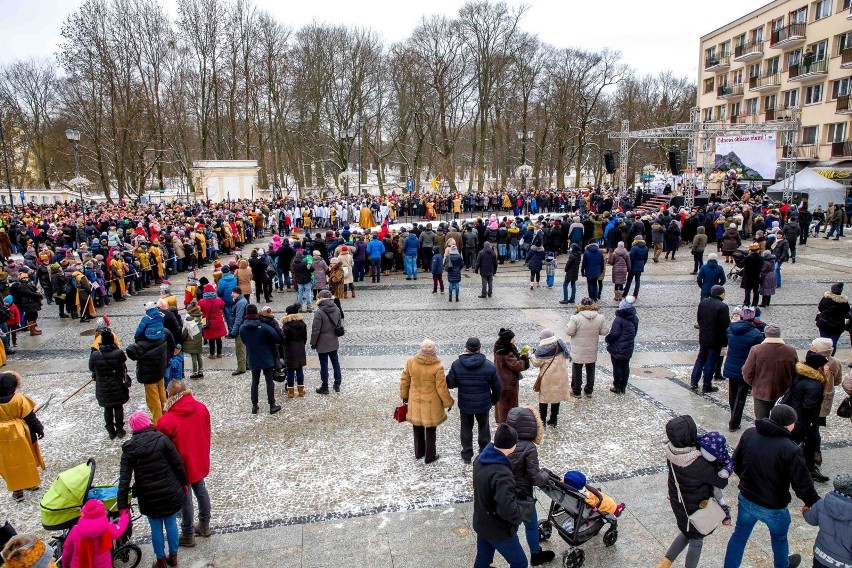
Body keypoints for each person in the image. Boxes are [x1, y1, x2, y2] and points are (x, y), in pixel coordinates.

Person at [722, 404, 819, 568]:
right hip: (774, 506)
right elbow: (802, 484)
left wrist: (747, 481)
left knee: (739, 536)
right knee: (779, 538)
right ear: (788, 425)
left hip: (746, 498)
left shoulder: (749, 433)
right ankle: (782, 565)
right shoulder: (790, 448)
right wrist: (814, 502)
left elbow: (736, 463)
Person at [117, 411, 188, 568]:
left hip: (148, 496)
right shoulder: (162, 439)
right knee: (171, 523)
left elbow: (124, 480)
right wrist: (184, 483)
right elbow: (178, 464)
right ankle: (174, 557)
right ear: (148, 423)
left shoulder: (129, 450)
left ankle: (161, 560)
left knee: (155, 527)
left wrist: (122, 505)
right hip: (170, 490)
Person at [656, 415, 727, 568]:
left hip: (680, 503)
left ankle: (665, 563)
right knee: (696, 540)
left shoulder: (671, 452)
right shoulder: (697, 462)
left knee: (687, 531)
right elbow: (722, 481)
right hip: (695, 508)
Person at [156, 380, 212, 547]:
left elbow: (162, 445)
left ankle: (187, 533)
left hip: (180, 465)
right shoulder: (201, 408)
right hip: (198, 457)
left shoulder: (167, 420)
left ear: (170, 395)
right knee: (201, 490)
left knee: (185, 498)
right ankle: (204, 525)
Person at [472, 424, 531, 568]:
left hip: (482, 522)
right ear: (511, 446)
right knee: (520, 563)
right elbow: (506, 509)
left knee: (483, 560)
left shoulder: (480, 459)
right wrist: (519, 515)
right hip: (498, 529)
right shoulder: (502, 474)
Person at [505, 407, 556, 566]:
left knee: (510, 527)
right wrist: (546, 474)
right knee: (531, 525)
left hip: (507, 493)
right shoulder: (529, 447)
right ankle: (535, 554)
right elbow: (535, 478)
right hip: (523, 495)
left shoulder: (505, 441)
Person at [446, 337, 501, 464]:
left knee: (466, 428)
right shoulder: (489, 366)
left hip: (465, 404)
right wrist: (492, 401)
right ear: (479, 348)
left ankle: (467, 454)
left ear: (466, 348)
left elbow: (450, 383)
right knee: (484, 429)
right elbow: (497, 388)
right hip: (483, 404)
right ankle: (484, 452)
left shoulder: (457, 364)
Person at [399, 339, 454, 465]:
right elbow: (441, 388)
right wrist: (448, 402)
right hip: (431, 404)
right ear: (434, 351)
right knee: (430, 430)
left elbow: (404, 380)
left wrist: (404, 395)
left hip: (415, 401)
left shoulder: (411, 362)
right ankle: (430, 455)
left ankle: (418, 452)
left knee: (417, 426)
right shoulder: (437, 367)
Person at [0, 372, 45, 503]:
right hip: (22, 434)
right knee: (27, 458)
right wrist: (39, 429)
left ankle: (17, 490)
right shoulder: (19, 399)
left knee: (10, 463)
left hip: (2, 437)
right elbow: (30, 417)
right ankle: (31, 482)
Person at [787, 349, 830, 482]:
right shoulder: (815, 384)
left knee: (794, 443)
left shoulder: (799, 374)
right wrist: (812, 423)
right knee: (808, 444)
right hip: (805, 420)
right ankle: (808, 469)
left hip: (795, 415)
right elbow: (809, 406)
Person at [126, 309, 174, 425]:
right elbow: (172, 346)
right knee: (162, 394)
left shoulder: (142, 344)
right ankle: (167, 415)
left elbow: (130, 351)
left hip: (149, 374)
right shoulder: (164, 333)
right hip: (161, 369)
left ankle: (158, 421)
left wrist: (139, 337)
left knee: (153, 399)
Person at [742, 324, 798, 420]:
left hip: (761, 392)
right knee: (780, 421)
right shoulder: (790, 351)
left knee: (761, 421)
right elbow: (796, 372)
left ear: (765, 335)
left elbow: (747, 371)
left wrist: (754, 384)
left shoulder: (756, 350)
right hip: (783, 392)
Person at [723, 306, 764, 432]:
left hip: (731, 365)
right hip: (746, 369)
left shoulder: (730, 329)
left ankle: (733, 415)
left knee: (733, 394)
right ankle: (734, 423)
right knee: (740, 397)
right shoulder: (756, 334)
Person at [239, 304, 282, 415]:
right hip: (266, 356)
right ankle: (272, 405)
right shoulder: (263, 327)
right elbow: (277, 338)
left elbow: (244, 341)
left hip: (252, 356)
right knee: (269, 381)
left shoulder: (242, 328)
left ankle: (254, 405)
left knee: (255, 381)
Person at [61, 499, 130, 568]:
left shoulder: (75, 530)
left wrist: (66, 565)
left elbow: (67, 551)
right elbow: (119, 530)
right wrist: (125, 516)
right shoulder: (107, 528)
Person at [803, 473, 852, 568]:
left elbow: (811, 520)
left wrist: (805, 510)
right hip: (844, 563)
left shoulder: (822, 503)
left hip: (821, 554)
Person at [88, 330, 130, 439]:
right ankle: (120, 430)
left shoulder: (95, 355)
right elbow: (123, 367)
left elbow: (91, 368)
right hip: (117, 384)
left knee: (107, 408)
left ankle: (111, 431)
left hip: (102, 386)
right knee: (118, 407)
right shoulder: (118, 353)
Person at [565, 298, 609, 397]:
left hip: (578, 349)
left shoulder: (575, 318)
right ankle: (589, 390)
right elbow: (604, 332)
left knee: (577, 369)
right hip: (591, 347)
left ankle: (576, 391)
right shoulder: (600, 317)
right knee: (591, 369)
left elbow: (569, 332)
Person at [690, 285, 729, 393]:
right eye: (724, 292)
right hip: (716, 339)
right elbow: (725, 324)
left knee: (701, 358)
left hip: (703, 336)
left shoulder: (703, 302)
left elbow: (699, 319)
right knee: (711, 361)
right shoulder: (723, 306)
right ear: (720, 294)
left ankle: (694, 381)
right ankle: (707, 384)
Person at [530, 329, 570, 426]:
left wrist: (531, 356)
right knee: (556, 398)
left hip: (549, 378)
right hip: (561, 376)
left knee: (544, 399)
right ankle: (553, 419)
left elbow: (536, 362)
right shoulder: (560, 344)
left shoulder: (543, 349)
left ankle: (542, 420)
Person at [493, 328, 530, 423]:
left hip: (500, 381)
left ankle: (501, 420)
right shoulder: (506, 353)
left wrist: (517, 355)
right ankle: (508, 423)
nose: (515, 340)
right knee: (508, 406)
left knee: (501, 404)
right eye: (513, 338)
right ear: (508, 340)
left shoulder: (499, 348)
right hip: (508, 383)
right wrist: (524, 358)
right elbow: (516, 366)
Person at [311, 290, 344, 394]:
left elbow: (316, 330)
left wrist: (313, 343)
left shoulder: (319, 312)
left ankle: (325, 387)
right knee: (336, 363)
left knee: (324, 365)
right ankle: (337, 384)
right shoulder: (337, 309)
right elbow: (339, 324)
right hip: (333, 340)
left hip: (322, 343)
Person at [606, 295, 638, 394]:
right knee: (625, 366)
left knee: (617, 367)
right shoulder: (634, 318)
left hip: (618, 347)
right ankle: (623, 386)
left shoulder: (619, 319)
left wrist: (608, 339)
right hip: (628, 346)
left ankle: (617, 386)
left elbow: (614, 334)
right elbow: (634, 332)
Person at [281, 303, 308, 398]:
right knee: (300, 370)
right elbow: (305, 338)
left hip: (289, 349)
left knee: (290, 371)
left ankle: (291, 392)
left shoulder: (286, 326)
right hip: (300, 347)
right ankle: (301, 391)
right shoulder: (302, 324)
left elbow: (284, 340)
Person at [816, 282, 849, 355]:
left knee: (824, 343)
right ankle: (831, 358)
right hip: (837, 326)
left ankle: (824, 359)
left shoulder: (826, 298)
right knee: (833, 344)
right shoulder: (844, 302)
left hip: (824, 324)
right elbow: (846, 313)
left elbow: (820, 308)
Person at [198, 283, 226, 359]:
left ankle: (212, 354)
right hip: (218, 322)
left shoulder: (201, 302)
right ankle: (219, 353)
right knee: (219, 338)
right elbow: (223, 306)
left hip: (207, 322)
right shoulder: (218, 300)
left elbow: (199, 310)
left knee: (211, 339)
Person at [228, 288, 248, 376]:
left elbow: (238, 319)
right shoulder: (242, 301)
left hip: (240, 329)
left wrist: (233, 331)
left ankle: (241, 368)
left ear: (238, 293)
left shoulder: (240, 303)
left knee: (240, 349)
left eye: (233, 293)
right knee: (244, 348)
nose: (232, 294)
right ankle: (246, 365)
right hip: (243, 328)